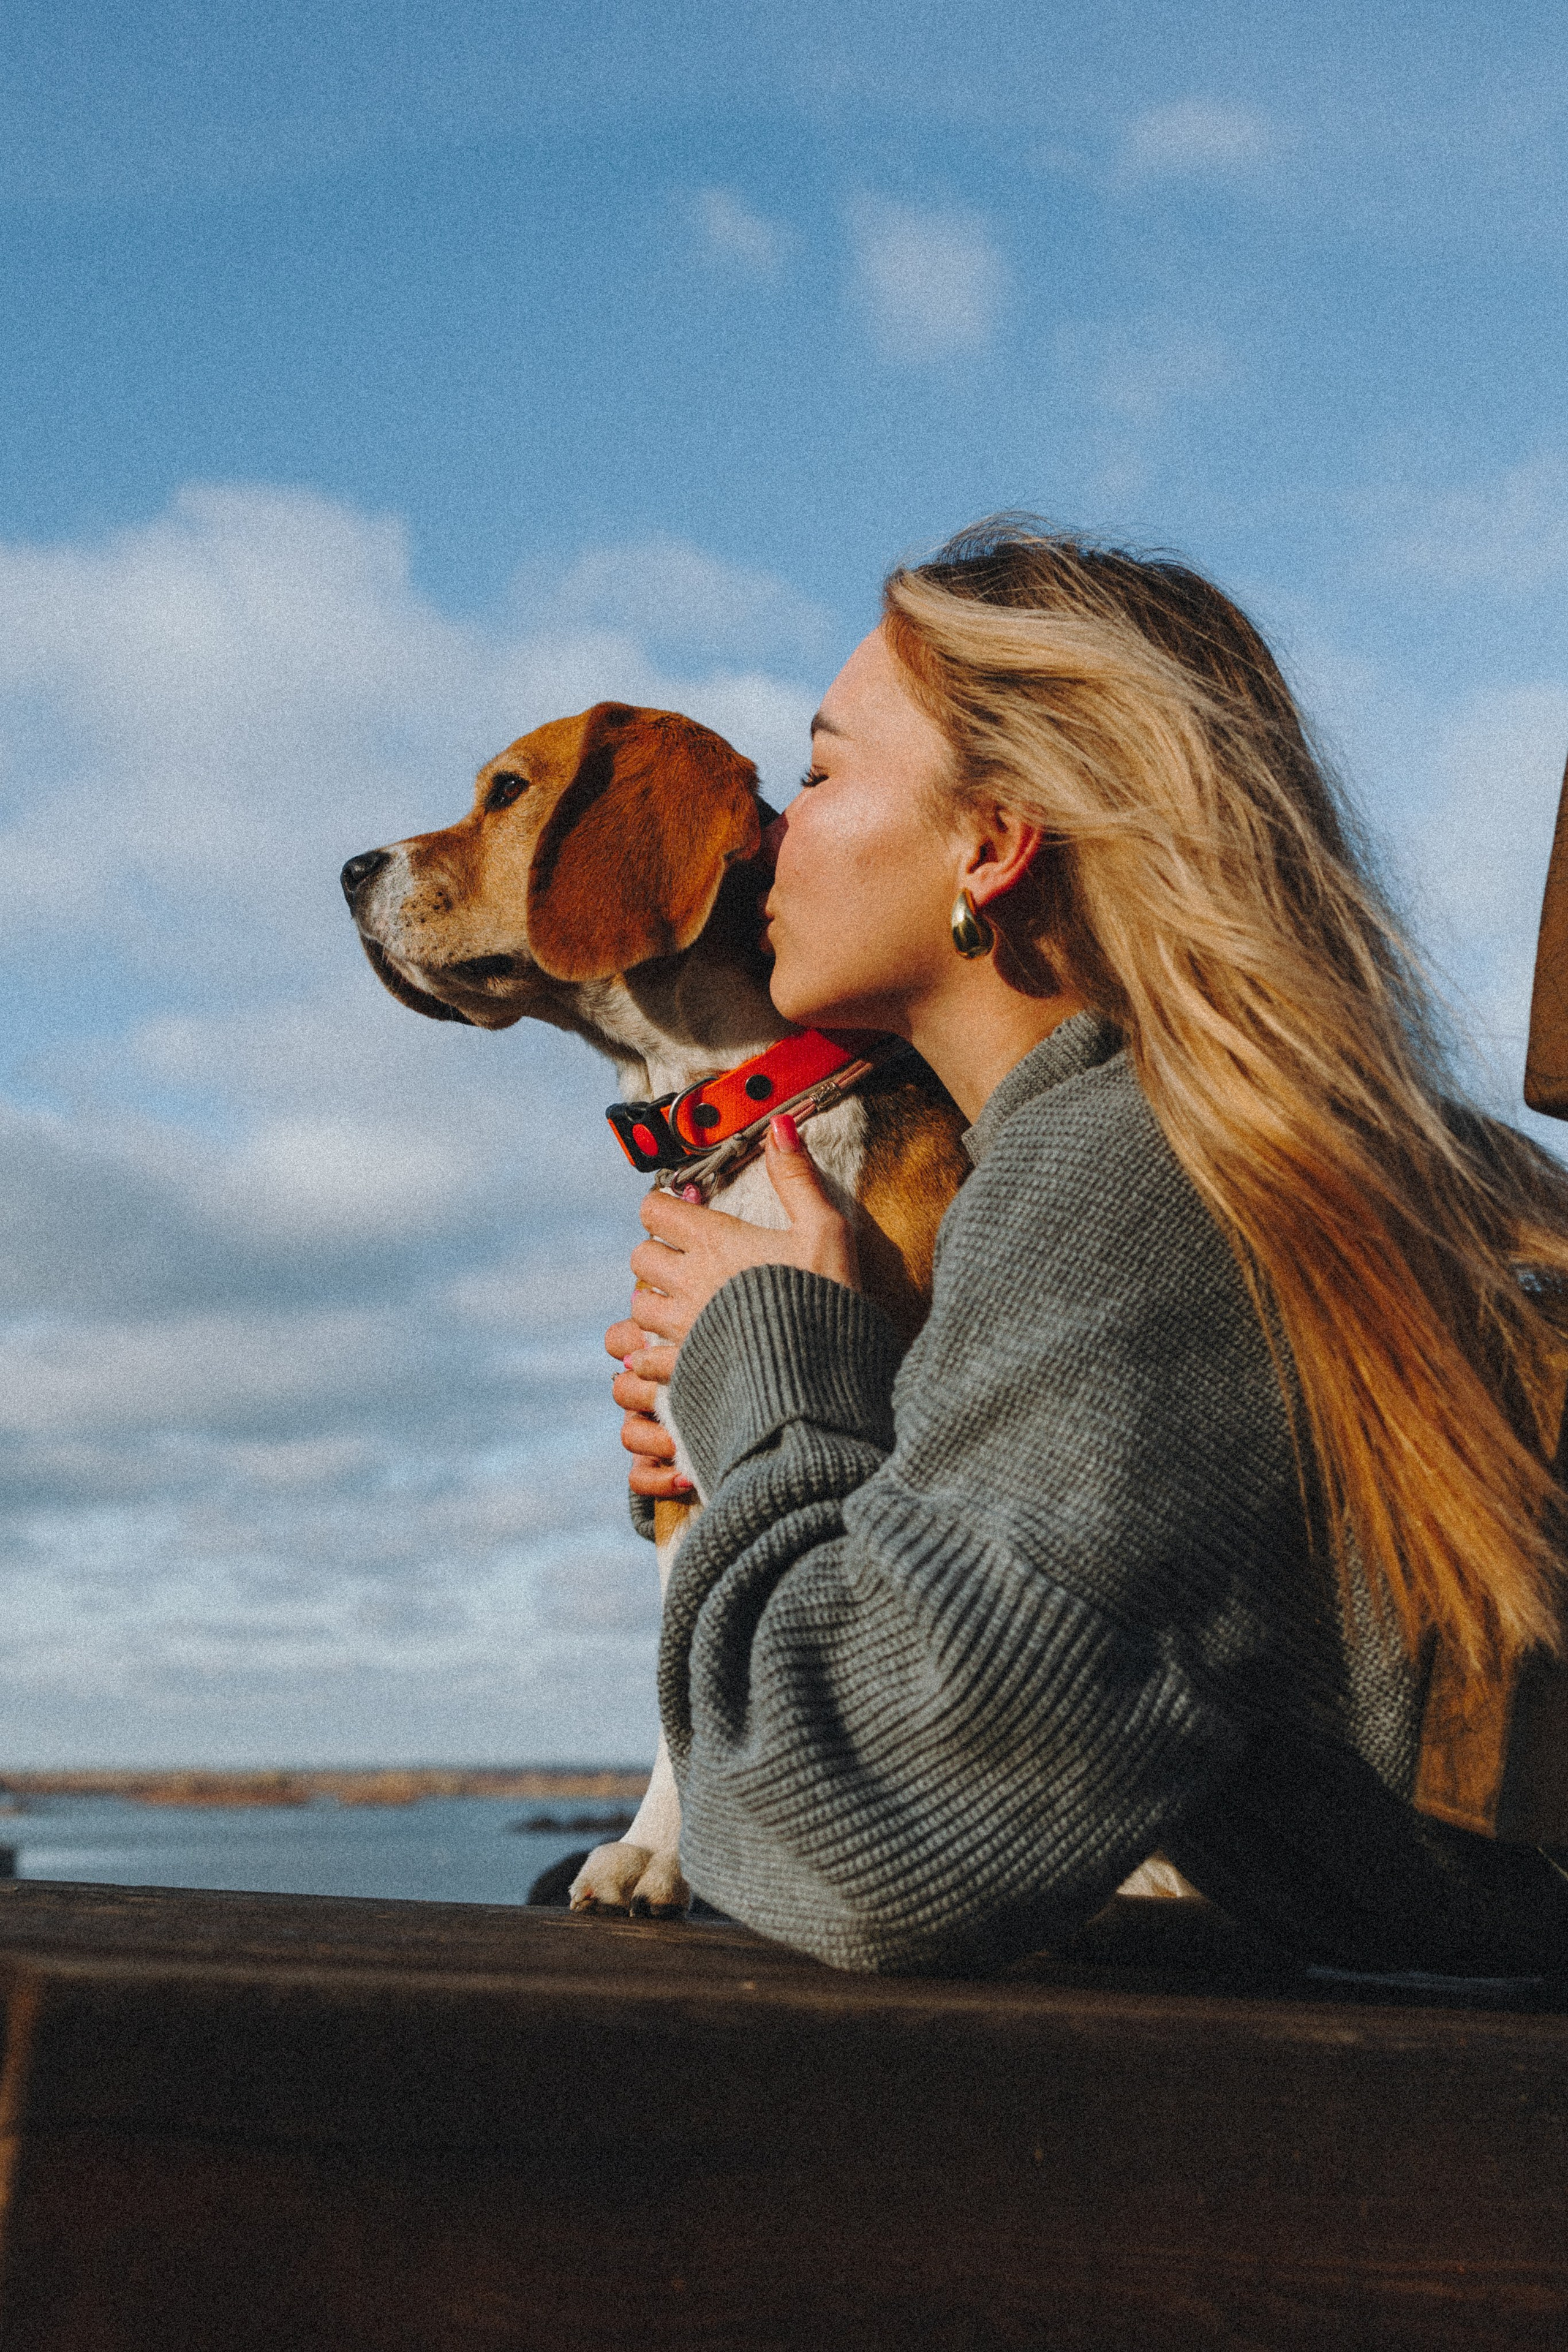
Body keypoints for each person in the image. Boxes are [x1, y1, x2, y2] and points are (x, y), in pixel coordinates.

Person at [606, 518, 1568, 1976]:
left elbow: (852, 1835)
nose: (768, 833)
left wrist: (779, 1383)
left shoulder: (1133, 1172)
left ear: (988, 846)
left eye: (816, 771)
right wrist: (856, 1385)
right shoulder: (1305, 1146)